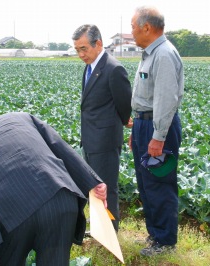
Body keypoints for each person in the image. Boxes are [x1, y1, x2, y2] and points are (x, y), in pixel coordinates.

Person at [0, 112, 107, 266]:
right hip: (60, 198)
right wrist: (92, 182)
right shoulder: (22, 118)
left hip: (10, 212)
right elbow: (58, 145)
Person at [129, 6, 184, 256]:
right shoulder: (150, 53)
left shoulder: (163, 54)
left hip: (158, 126)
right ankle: (155, 235)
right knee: (146, 183)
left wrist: (158, 137)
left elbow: (165, 100)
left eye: (133, 27)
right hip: (144, 125)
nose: (131, 33)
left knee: (159, 183)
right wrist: (137, 129)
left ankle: (165, 242)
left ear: (147, 28)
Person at [72, 24, 132, 231]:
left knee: (107, 187)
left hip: (105, 140)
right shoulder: (89, 67)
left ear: (98, 44)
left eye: (84, 49)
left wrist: (124, 121)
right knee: (93, 186)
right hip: (90, 139)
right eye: (77, 50)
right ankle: (99, 224)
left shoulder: (114, 69)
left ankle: (110, 229)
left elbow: (125, 105)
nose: (80, 54)